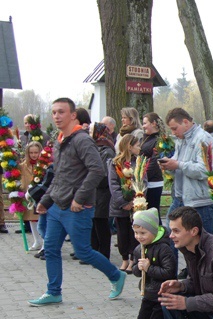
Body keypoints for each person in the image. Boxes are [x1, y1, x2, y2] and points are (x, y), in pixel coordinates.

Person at [29, 97, 127, 306]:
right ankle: (53, 292)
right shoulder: (60, 139)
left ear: (73, 115)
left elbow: (97, 170)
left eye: (61, 112)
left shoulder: (82, 139)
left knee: (83, 251)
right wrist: (46, 200)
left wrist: (79, 197)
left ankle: (116, 276)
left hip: (77, 207)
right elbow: (59, 174)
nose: (56, 116)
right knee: (52, 249)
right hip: (57, 205)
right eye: (54, 112)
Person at [160, 108, 213, 235]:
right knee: (170, 234)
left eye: (174, 128)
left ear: (185, 122)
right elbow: (178, 162)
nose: (173, 133)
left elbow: (205, 171)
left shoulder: (203, 138)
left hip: (200, 201)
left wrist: (178, 165)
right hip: (181, 197)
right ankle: (169, 256)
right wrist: (168, 165)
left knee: (205, 242)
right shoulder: (181, 139)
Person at [131, 208, 177, 319]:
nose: (139, 237)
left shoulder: (163, 248)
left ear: (153, 231)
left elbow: (169, 272)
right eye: (136, 233)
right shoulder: (139, 249)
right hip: (148, 293)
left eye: (143, 233)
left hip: (162, 294)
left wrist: (149, 268)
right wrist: (139, 268)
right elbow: (136, 271)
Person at [108, 134, 141, 274]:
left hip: (135, 205)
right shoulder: (115, 163)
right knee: (122, 233)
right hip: (120, 206)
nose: (140, 148)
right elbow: (113, 185)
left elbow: (141, 181)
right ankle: (125, 258)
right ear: (129, 146)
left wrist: (134, 201)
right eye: (137, 145)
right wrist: (122, 202)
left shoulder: (139, 162)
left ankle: (133, 257)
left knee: (134, 232)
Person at [90, 122, 115, 260]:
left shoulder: (107, 150)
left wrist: (91, 179)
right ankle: (94, 251)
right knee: (93, 222)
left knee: (101, 223)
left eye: (91, 131)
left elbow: (106, 174)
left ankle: (104, 253)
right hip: (94, 192)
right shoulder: (94, 148)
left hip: (103, 192)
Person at [140, 113, 166, 219]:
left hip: (153, 182)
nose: (143, 126)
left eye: (145, 123)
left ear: (154, 123)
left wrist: (142, 176)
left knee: (153, 214)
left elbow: (155, 162)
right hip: (144, 180)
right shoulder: (144, 138)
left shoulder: (160, 140)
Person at [19, 141, 44, 250]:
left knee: (41, 219)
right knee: (31, 218)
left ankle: (44, 241)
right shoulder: (23, 165)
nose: (34, 155)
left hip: (40, 195)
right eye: (31, 153)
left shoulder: (44, 164)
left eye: (36, 152)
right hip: (28, 195)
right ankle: (36, 240)